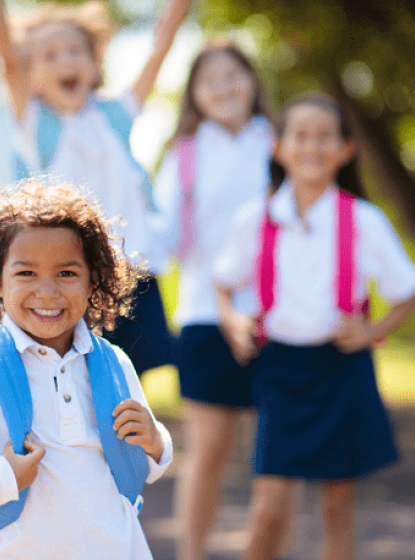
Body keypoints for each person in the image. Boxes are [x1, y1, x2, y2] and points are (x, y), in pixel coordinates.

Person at [0, 179, 174, 559]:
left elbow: (146, 463)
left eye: (66, 274)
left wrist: (156, 442)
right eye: (26, 273)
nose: (47, 291)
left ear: (93, 280)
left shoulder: (113, 363)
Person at [214, 93, 415, 560]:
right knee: (268, 510)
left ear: (346, 150)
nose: (312, 146)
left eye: (325, 136)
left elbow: (409, 292)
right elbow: (223, 282)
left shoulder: (363, 220)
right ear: (279, 148)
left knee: (337, 504)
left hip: (341, 369)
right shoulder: (256, 217)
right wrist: (232, 320)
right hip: (280, 369)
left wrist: (371, 331)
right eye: (301, 136)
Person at [0, 0, 192, 375]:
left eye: (75, 50)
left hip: (132, 271)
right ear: (30, 75)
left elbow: (159, 51)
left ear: (95, 65)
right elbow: (9, 61)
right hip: (72, 280)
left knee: (132, 375)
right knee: (79, 376)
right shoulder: (35, 123)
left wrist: (176, 13)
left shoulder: (114, 116)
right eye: (50, 55)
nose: (66, 60)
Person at [151, 39, 275, 560]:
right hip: (205, 315)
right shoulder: (183, 155)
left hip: (281, 318)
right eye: (209, 81)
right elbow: (160, 240)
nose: (223, 88)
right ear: (195, 95)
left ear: (252, 80)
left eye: (233, 75)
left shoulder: (280, 143)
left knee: (278, 458)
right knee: (208, 452)